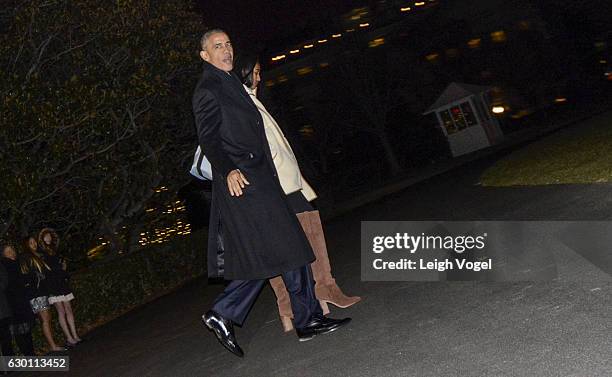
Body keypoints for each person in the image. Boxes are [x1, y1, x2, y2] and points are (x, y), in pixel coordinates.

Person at [193, 29, 350, 357]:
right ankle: (228, 311)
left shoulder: (231, 82)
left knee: (288, 248)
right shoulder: (207, 88)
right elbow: (208, 138)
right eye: (217, 46)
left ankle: (302, 319)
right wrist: (228, 168)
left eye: (228, 44)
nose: (226, 50)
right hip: (245, 183)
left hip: (263, 180)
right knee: (284, 248)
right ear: (204, 56)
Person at [230, 54, 361, 332]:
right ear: (243, 73)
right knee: (286, 243)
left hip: (285, 181)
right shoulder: (240, 102)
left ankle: (305, 299)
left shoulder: (251, 99)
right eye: (255, 71)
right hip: (274, 185)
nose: (259, 76)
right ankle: (313, 293)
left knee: (294, 236)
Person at [20, 236, 64, 352]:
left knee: (47, 318)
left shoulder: (38, 256)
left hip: (42, 291)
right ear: (26, 245)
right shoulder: (26, 257)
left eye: (34, 242)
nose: (34, 244)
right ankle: (53, 346)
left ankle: (53, 344)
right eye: (31, 243)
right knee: (45, 319)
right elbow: (26, 276)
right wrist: (36, 278)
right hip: (36, 293)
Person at [38, 229, 81, 347]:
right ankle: (69, 338)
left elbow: (61, 267)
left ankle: (75, 335)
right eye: (45, 236)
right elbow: (44, 272)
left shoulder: (56, 251)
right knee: (61, 311)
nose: (48, 238)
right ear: (42, 239)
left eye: (49, 236)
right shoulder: (41, 253)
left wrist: (63, 269)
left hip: (61, 283)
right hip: (52, 285)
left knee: (69, 309)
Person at [0, 244, 35, 356]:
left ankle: (30, 354)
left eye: (12, 250)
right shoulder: (5, 265)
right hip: (13, 303)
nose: (11, 252)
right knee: (19, 331)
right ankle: (28, 354)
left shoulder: (19, 263)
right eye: (7, 251)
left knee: (26, 329)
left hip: (22, 300)